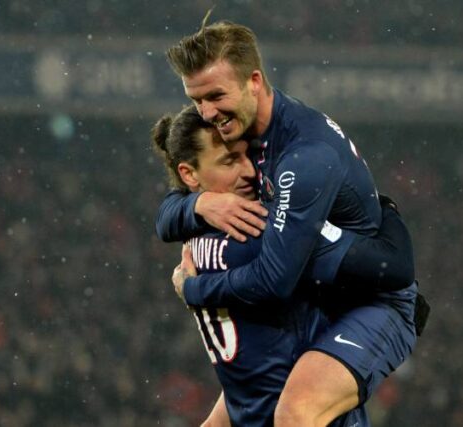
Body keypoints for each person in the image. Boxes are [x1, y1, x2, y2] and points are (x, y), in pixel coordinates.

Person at [157, 19, 425, 426]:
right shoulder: (241, 129)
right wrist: (199, 206)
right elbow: (174, 199)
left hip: (372, 303)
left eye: (215, 96)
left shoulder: (305, 155)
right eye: (197, 101)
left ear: (254, 80)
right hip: (313, 303)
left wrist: (194, 288)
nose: (208, 113)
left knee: (296, 413)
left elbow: (273, 279)